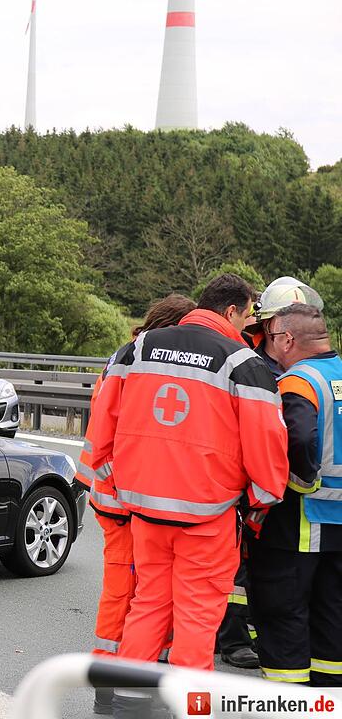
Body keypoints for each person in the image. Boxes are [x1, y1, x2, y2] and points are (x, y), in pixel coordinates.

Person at [87, 274, 289, 719]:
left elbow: (101, 430)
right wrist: (259, 500)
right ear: (232, 311)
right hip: (207, 516)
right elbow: (267, 444)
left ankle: (130, 703)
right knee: (197, 618)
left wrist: (121, 485)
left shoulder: (139, 349)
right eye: (248, 314)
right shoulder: (242, 362)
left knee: (148, 605)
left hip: (144, 511)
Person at [77, 293, 195, 715]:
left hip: (120, 493)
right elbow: (122, 435)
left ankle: (133, 672)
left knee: (143, 589)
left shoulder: (129, 355)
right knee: (126, 589)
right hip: (123, 497)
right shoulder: (141, 361)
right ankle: (110, 682)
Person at [248, 303, 342, 687]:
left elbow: (300, 438)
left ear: (287, 339)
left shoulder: (298, 382)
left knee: (283, 615)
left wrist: (300, 481)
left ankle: (288, 704)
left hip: (303, 524)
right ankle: (328, 699)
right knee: (332, 617)